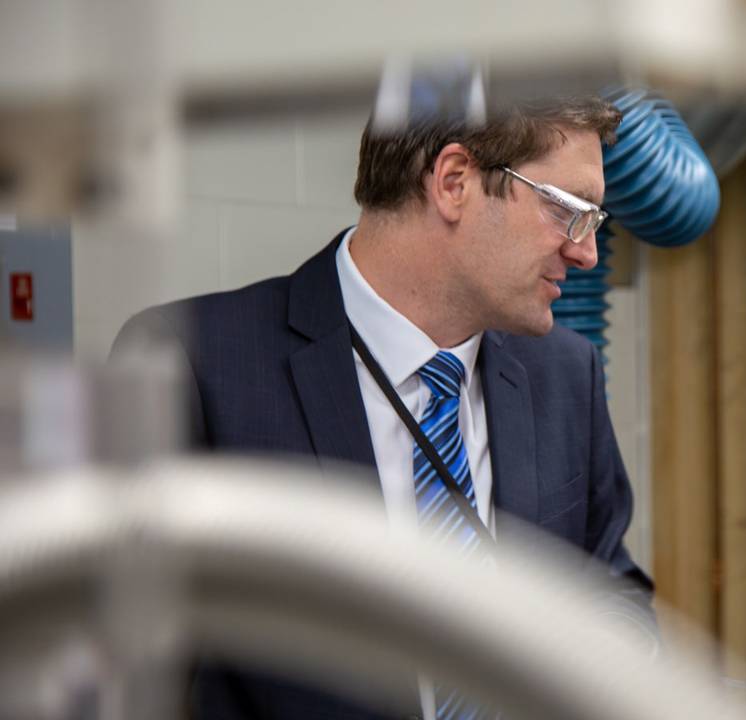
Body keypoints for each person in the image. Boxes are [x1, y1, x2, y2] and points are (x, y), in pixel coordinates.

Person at [114, 94, 654, 718]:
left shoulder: (565, 373)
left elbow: (611, 582)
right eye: (569, 210)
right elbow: (126, 664)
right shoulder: (192, 363)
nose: (586, 251)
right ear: (454, 183)